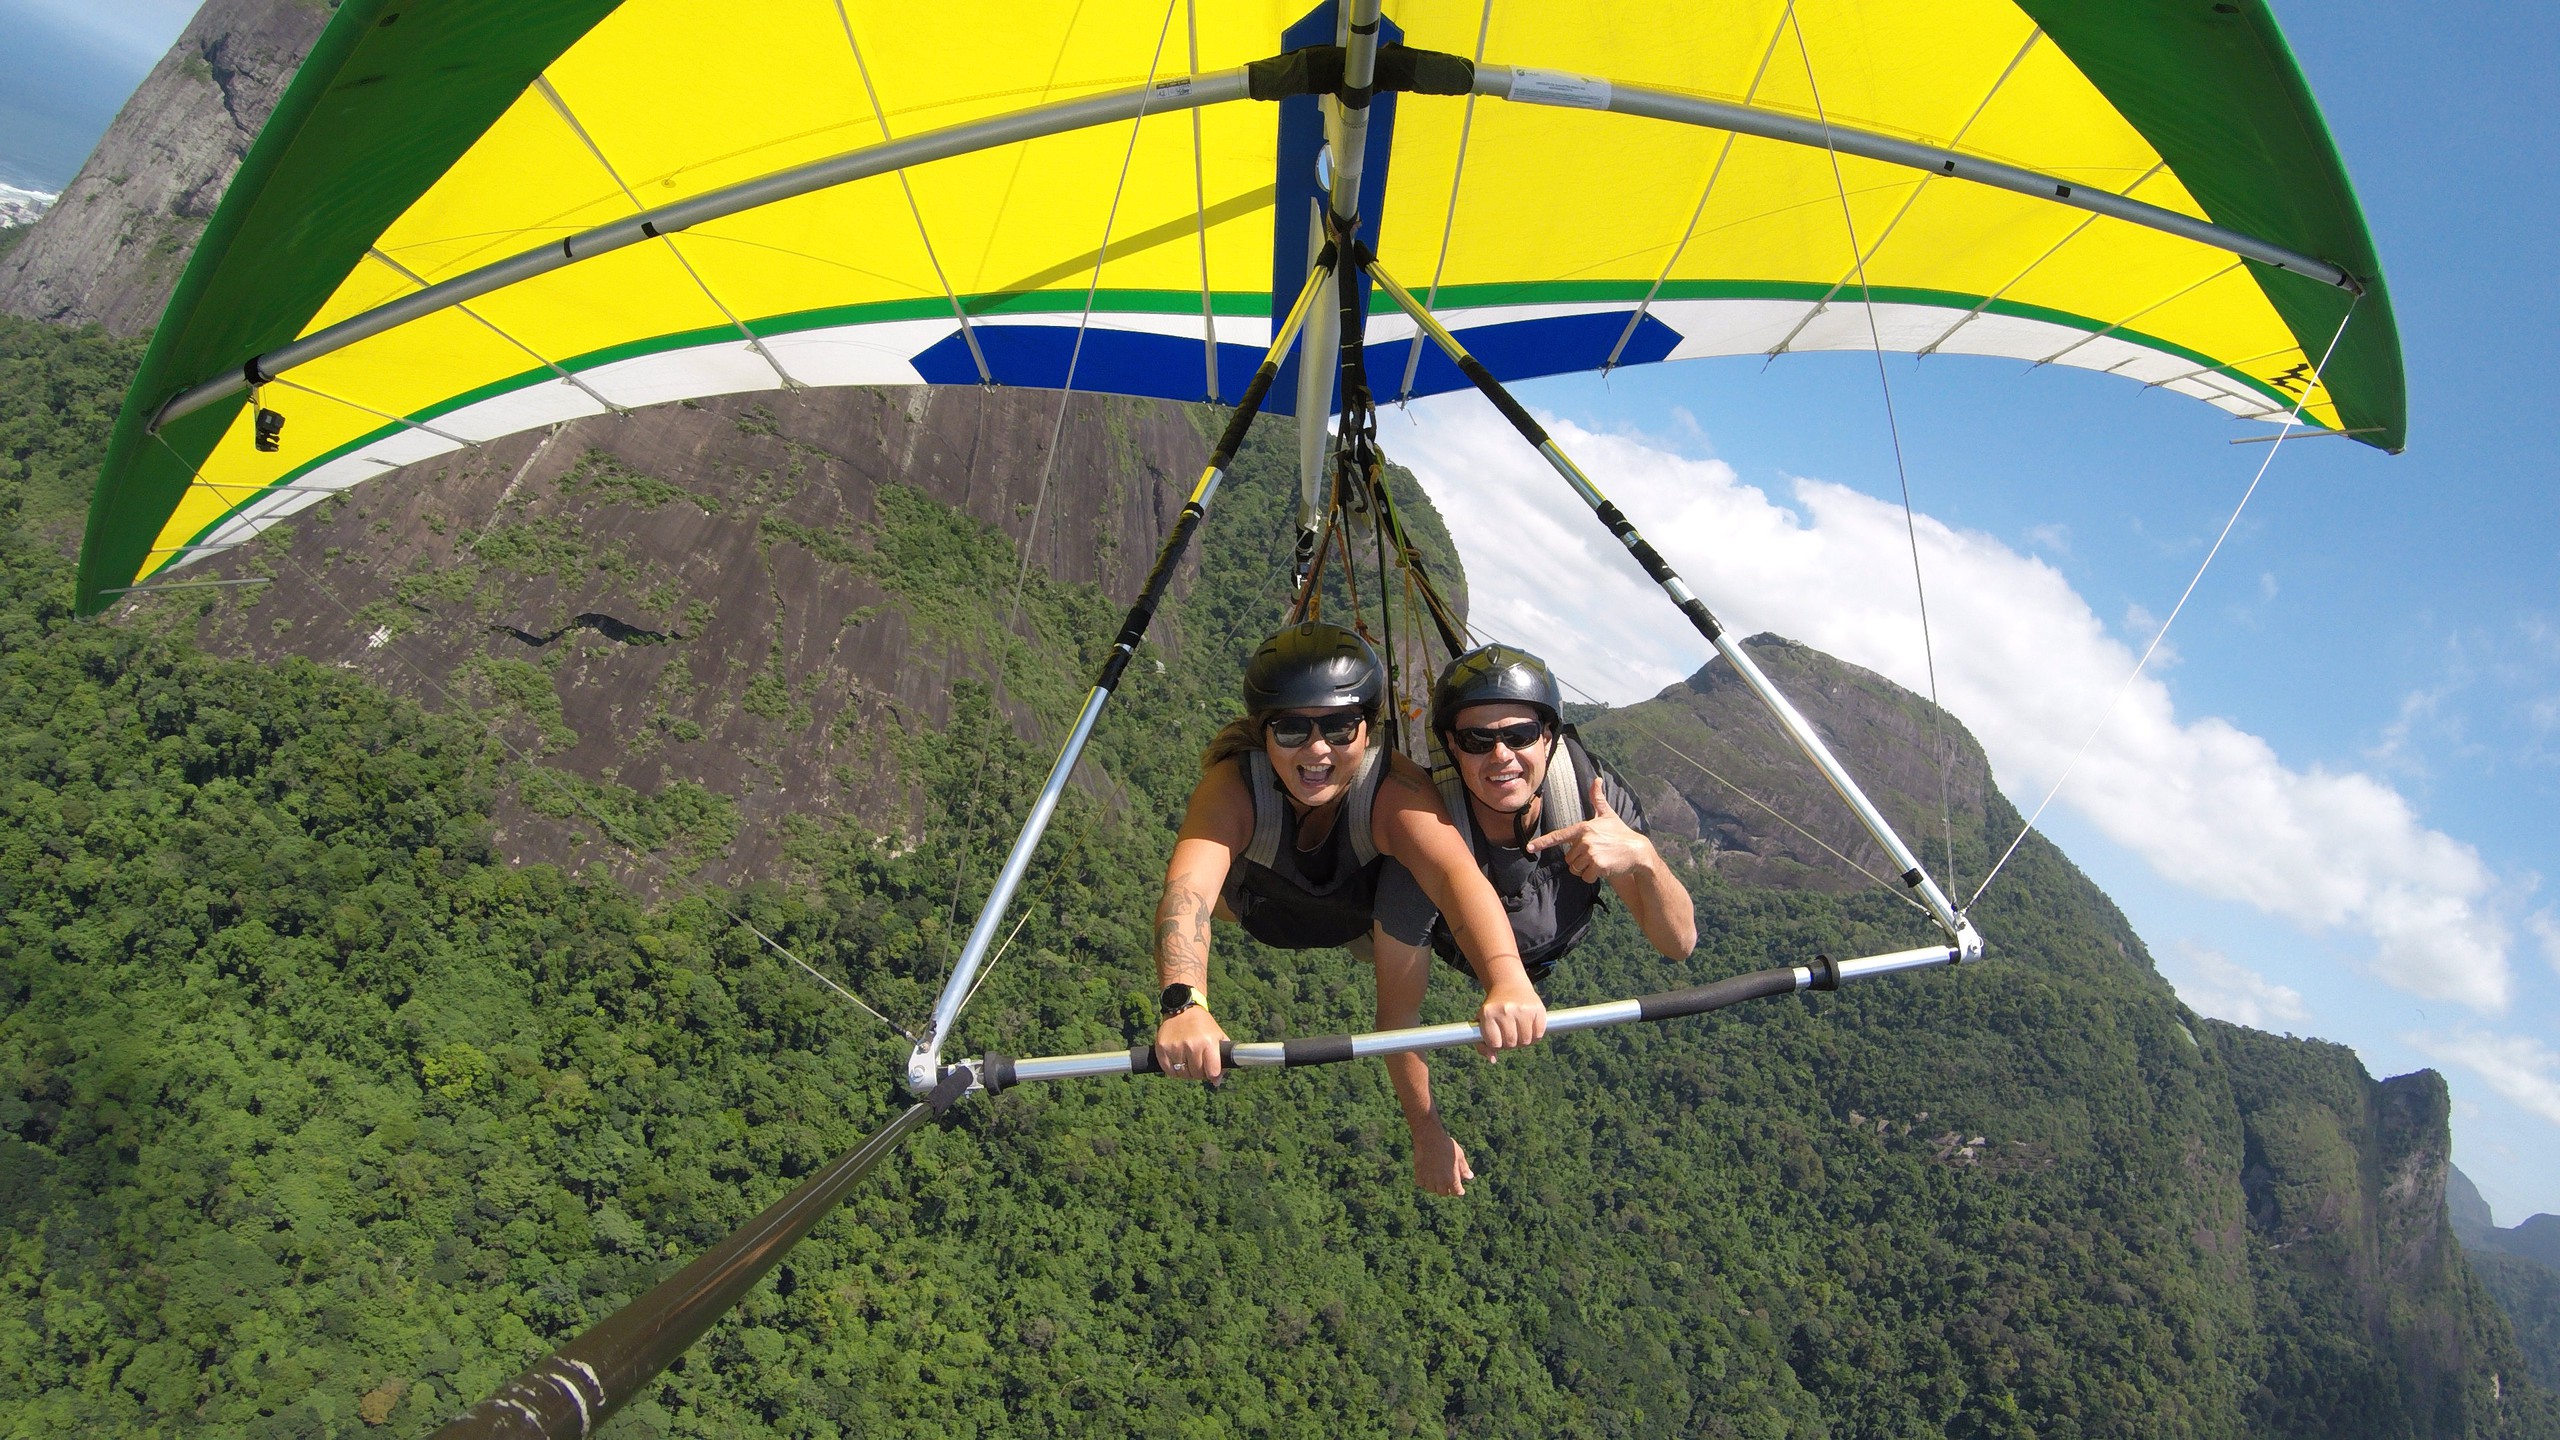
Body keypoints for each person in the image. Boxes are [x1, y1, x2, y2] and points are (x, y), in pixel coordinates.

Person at [1152, 622, 1545, 1196]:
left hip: (1356, 914)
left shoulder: (1393, 791)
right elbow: (1187, 892)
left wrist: (1506, 979)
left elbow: (1458, 878)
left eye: (1339, 728)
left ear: (1369, 730)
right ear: (1263, 734)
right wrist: (1183, 1002)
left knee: (1418, 871)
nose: (1317, 750)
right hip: (1263, 909)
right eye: (1291, 729)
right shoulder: (1235, 787)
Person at [1390, 644, 1696, 984]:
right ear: (1452, 745)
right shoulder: (1424, 815)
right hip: (1458, 953)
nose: (1501, 755)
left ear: (1547, 739)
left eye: (1520, 736)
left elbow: (1678, 944)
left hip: (1557, 944)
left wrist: (1646, 858)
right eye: (1477, 739)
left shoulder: (1589, 798)